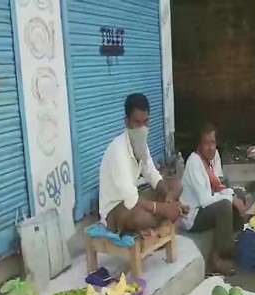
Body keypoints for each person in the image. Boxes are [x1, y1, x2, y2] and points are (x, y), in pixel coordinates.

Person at [99, 93, 184, 237]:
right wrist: (165, 209)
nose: (142, 128)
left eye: (146, 122)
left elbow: (151, 173)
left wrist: (168, 196)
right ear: (127, 122)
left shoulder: (141, 144)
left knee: (176, 185)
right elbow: (131, 198)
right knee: (142, 218)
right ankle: (166, 216)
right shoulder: (118, 150)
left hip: (134, 199)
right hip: (115, 209)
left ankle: (167, 213)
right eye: (137, 123)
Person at [179, 123, 247, 276]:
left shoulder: (214, 157)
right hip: (193, 214)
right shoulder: (194, 162)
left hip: (207, 204)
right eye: (206, 143)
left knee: (239, 194)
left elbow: (219, 184)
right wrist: (230, 199)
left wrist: (233, 196)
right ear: (199, 145)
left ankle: (230, 244)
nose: (210, 147)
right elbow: (204, 200)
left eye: (213, 143)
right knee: (224, 206)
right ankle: (214, 260)